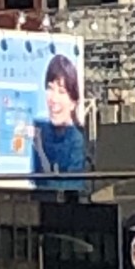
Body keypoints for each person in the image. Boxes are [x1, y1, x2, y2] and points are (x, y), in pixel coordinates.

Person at [32, 53, 86, 190]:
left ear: (73, 102)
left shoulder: (77, 142)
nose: (53, 98)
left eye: (61, 91)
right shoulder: (42, 132)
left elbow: (72, 186)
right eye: (50, 88)